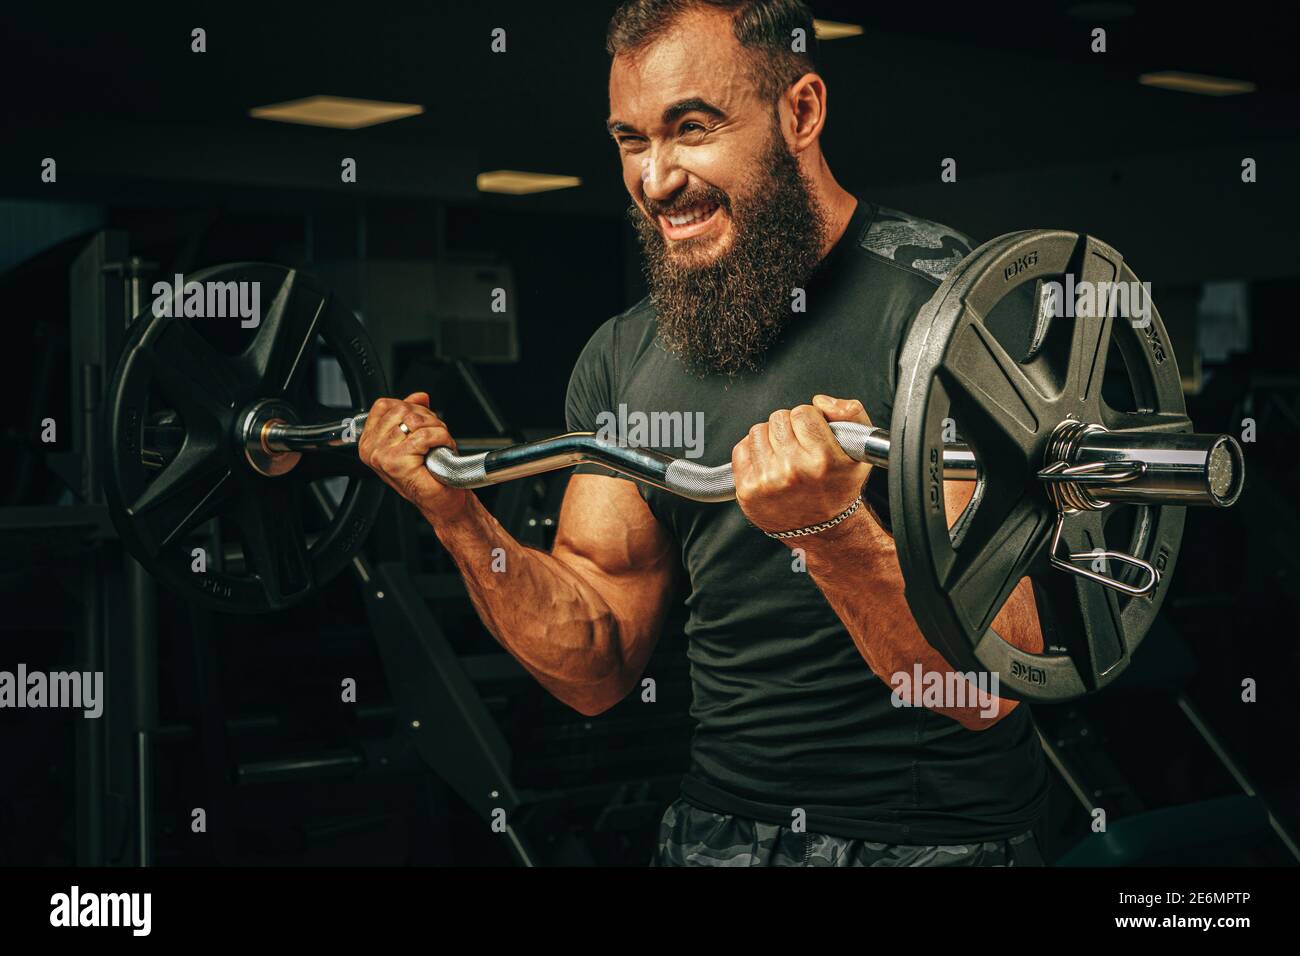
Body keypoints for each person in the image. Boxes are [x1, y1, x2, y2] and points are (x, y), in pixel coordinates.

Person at [361, 0, 1049, 866]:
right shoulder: (628, 351)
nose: (656, 179)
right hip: (715, 832)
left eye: (691, 128)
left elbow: (990, 681)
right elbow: (598, 664)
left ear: (800, 112)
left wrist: (829, 533)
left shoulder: (949, 311)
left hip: (935, 843)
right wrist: (455, 516)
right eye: (630, 140)